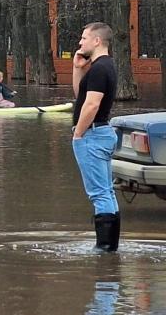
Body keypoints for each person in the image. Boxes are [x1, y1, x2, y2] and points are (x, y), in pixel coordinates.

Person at [72, 21, 119, 252]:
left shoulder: (100, 68)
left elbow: (91, 105)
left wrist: (79, 134)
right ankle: (110, 250)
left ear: (97, 41)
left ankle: (104, 249)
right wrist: (77, 68)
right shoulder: (103, 66)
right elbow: (80, 97)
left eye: (84, 38)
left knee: (99, 194)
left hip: (93, 134)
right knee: (107, 192)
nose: (80, 43)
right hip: (101, 133)